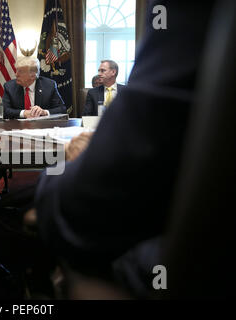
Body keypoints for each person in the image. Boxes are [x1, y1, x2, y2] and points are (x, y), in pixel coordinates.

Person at [35, 0, 215, 288]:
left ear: (115, 73)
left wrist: (54, 174)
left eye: (105, 69)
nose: (100, 73)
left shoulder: (183, 19)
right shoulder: (92, 93)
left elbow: (135, 152)